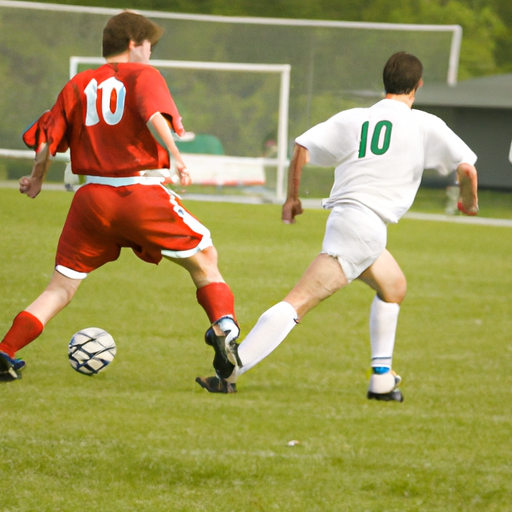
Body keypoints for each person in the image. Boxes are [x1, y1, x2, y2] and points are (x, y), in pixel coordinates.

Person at [196, 51, 479, 401]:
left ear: (385, 82)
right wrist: (471, 202)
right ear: (418, 85)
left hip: (350, 221)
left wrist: (292, 198)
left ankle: (382, 380)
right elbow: (467, 169)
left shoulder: (355, 117)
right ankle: (234, 363)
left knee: (393, 287)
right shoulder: (425, 124)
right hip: (364, 227)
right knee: (299, 300)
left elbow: (301, 146)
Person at [0, 11, 240, 382]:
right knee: (205, 259)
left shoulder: (79, 82)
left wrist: (35, 179)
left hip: (90, 199)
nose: (151, 54)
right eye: (150, 46)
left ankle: (5, 350)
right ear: (133, 44)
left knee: (61, 287)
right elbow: (152, 115)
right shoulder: (145, 75)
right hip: (138, 193)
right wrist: (178, 159)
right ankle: (224, 329)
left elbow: (48, 137)